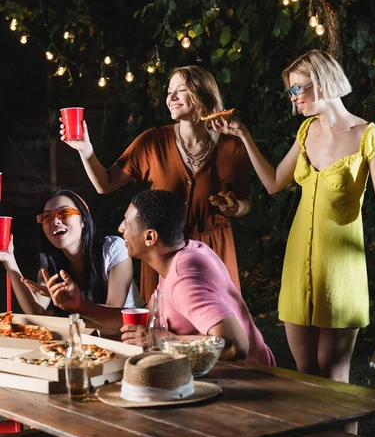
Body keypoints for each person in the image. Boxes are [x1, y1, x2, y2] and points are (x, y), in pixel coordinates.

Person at [211, 50, 375, 398]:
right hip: (298, 266)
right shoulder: (307, 130)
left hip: (340, 271)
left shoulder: (368, 135)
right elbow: (272, 183)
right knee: (305, 378)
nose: (294, 98)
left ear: (323, 82)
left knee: (335, 384)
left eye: (298, 89)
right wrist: (243, 136)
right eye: (291, 91)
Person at [61, 66, 251, 302]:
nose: (171, 98)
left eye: (181, 90)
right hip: (163, 253)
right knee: (162, 328)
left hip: (214, 252)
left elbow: (246, 203)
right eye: (169, 91)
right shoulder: (152, 142)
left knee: (216, 329)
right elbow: (105, 183)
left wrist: (234, 208)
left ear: (203, 94)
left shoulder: (231, 146)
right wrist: (85, 149)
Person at [44, 189, 275, 365]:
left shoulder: (184, 280)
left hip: (251, 382)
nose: (121, 228)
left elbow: (235, 346)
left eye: (128, 222)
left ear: (150, 237)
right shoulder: (184, 253)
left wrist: (160, 340)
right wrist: (80, 306)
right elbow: (143, 320)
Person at [0, 188, 143, 315]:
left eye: (64, 212)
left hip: (129, 337)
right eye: (46, 216)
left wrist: (75, 304)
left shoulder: (113, 249)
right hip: (84, 339)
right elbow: (35, 310)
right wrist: (9, 260)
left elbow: (112, 313)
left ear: (83, 221)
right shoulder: (51, 268)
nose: (55, 221)